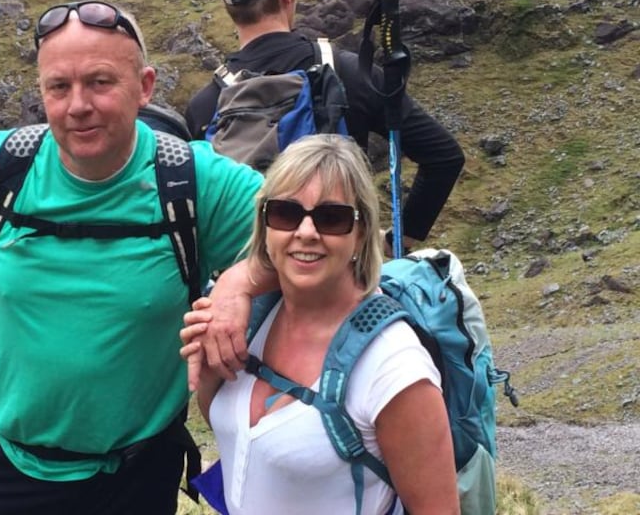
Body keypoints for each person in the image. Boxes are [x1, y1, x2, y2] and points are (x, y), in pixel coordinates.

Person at [0, 0, 263, 515]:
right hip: (4, 466)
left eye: (99, 82)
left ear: (145, 86)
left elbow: (309, 234)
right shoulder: (8, 166)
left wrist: (238, 283)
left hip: (135, 476)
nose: (77, 105)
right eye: (58, 87)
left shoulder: (193, 181)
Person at [180, 134, 459, 514]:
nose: (306, 232)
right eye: (286, 213)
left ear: (362, 233)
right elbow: (239, 437)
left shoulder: (394, 367)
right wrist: (214, 358)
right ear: (265, 224)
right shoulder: (250, 319)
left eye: (331, 218)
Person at [185, 0, 465, 258]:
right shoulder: (347, 73)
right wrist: (395, 240)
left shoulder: (205, 106)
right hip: (337, 273)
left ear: (229, 7)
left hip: (245, 275)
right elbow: (444, 157)